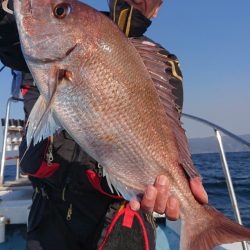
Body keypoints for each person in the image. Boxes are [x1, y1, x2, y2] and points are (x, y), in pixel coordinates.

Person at [0, 0, 208, 249]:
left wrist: (184, 176)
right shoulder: (79, 24)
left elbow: (166, 129)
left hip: (120, 212)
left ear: (159, 8)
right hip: (50, 205)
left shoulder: (163, 63)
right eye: (60, 11)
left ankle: (202, 225)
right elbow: (10, 32)